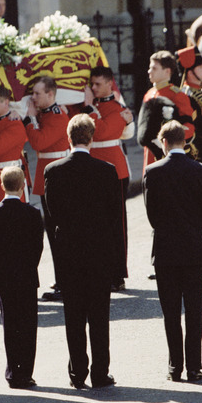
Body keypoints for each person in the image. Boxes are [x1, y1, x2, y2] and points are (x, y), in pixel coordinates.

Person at [43, 113, 125, 389]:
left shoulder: (53, 171)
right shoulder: (107, 170)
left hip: (69, 252)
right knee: (99, 316)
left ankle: (78, 373)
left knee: (74, 316)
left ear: (68, 138)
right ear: (92, 138)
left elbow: (52, 214)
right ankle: (101, 373)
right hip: (99, 252)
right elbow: (115, 217)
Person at [143, 120, 202, 382]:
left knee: (171, 312)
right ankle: (195, 366)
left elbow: (152, 215)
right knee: (195, 309)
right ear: (185, 141)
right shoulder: (201, 170)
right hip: (194, 246)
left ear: (163, 142)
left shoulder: (153, 171)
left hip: (166, 248)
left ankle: (175, 366)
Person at [0, 166, 43, 389]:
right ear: (22, 186)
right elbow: (38, 247)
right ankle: (25, 372)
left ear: (2, 186)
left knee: (10, 325)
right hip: (27, 275)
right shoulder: (33, 213)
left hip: (6, 276)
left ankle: (12, 371)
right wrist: (27, 267)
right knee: (28, 325)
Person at [80, 66, 133, 291]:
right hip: (93, 169)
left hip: (114, 171)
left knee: (115, 225)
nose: (93, 88)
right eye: (91, 84)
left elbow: (101, 132)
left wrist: (91, 108)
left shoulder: (117, 107)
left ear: (110, 84)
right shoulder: (94, 107)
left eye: (98, 84)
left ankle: (117, 273)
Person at [22, 76, 70, 300]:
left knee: (57, 232)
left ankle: (65, 281)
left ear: (50, 95)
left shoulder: (58, 117)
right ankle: (62, 278)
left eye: (37, 93)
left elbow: (39, 143)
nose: (33, 97)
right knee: (52, 232)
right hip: (47, 174)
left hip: (58, 179)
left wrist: (31, 119)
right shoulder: (48, 113)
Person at [142, 51, 196, 171]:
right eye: (150, 68)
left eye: (154, 68)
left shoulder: (177, 95)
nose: (149, 71)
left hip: (168, 153)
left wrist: (171, 140)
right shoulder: (149, 94)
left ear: (167, 71)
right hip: (150, 153)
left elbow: (189, 127)